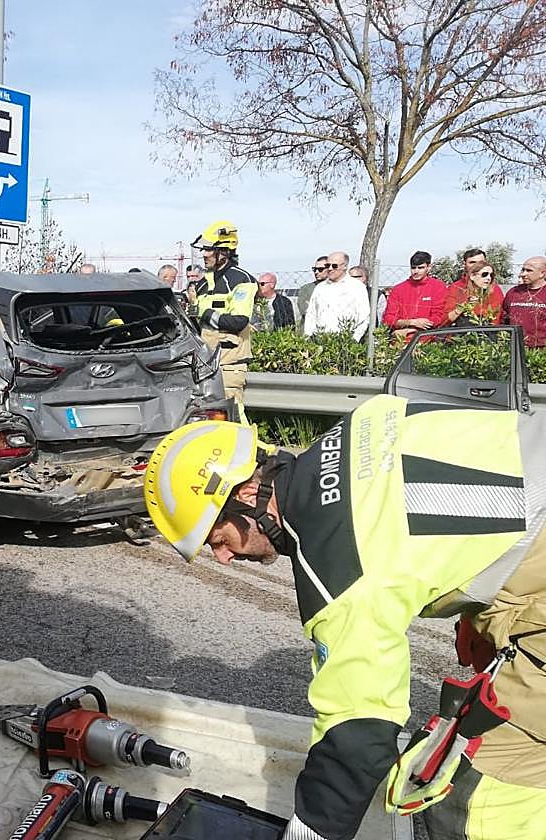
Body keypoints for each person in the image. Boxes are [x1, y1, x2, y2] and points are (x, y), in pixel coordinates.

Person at [143, 396, 546, 840]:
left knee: (474, 792)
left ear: (245, 496)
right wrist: (489, 601)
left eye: (217, 537)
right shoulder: (363, 423)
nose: (222, 557)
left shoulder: (338, 574)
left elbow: (359, 736)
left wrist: (309, 833)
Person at [189, 220, 256, 408]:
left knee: (233, 418)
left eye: (208, 249)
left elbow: (238, 321)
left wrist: (204, 312)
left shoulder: (241, 280)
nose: (204, 254)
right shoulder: (203, 283)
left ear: (224, 251)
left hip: (229, 365)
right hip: (204, 363)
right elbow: (197, 323)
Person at [382, 251, 449, 343]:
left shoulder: (438, 287)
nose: (416, 271)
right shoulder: (398, 289)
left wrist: (418, 327)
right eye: (413, 268)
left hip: (428, 339)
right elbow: (388, 318)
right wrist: (411, 322)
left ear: (429, 267)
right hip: (400, 339)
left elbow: (439, 316)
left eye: (420, 268)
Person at [303, 251, 370, 340]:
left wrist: (354, 340)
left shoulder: (357, 287)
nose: (330, 269)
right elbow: (311, 314)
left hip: (346, 341)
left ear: (345, 266)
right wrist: (308, 338)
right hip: (320, 341)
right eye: (327, 266)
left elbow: (364, 317)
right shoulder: (320, 288)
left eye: (334, 266)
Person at [501, 256, 546, 349]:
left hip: (541, 350)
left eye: (529, 271)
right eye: (523, 270)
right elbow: (503, 318)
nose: (523, 274)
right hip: (514, 347)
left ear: (542, 273)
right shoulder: (513, 292)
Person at [444, 261, 504, 327]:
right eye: (484, 274)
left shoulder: (494, 293)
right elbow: (447, 319)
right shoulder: (458, 291)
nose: (488, 278)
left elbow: (496, 320)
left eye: (491, 275)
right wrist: (464, 306)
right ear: (472, 276)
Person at [297, 256, 328, 329]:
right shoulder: (306, 289)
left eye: (320, 269)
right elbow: (306, 311)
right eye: (314, 269)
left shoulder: (336, 288)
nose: (316, 272)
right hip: (309, 331)